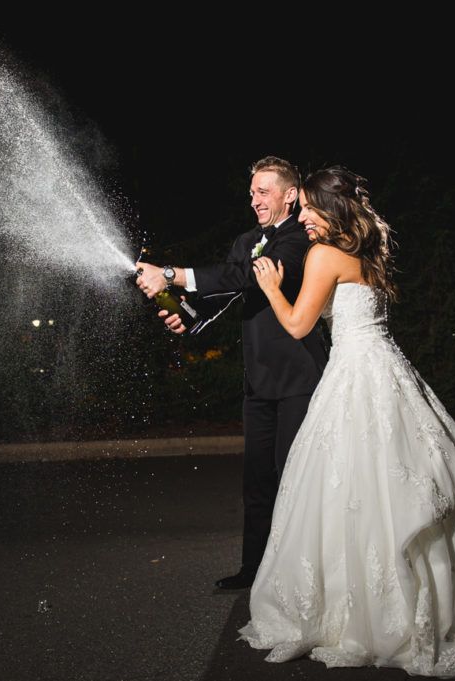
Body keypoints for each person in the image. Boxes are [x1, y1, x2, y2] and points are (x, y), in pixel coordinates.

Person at [241, 166, 455, 676]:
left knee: (351, 485)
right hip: (390, 374)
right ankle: (432, 601)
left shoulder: (325, 255)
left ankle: (370, 612)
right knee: (396, 483)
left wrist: (269, 286)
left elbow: (296, 324)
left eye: (309, 207)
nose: (303, 216)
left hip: (355, 376)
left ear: (330, 209)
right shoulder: (367, 255)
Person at [135, 156, 328, 590]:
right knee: (257, 479)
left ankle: (300, 575)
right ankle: (254, 569)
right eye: (252, 193)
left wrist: (172, 274)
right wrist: (186, 313)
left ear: (290, 195)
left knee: (294, 476)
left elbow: (245, 277)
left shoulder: (302, 238)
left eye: (264, 191)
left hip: (300, 378)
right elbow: (224, 292)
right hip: (257, 380)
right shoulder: (246, 240)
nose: (255, 200)